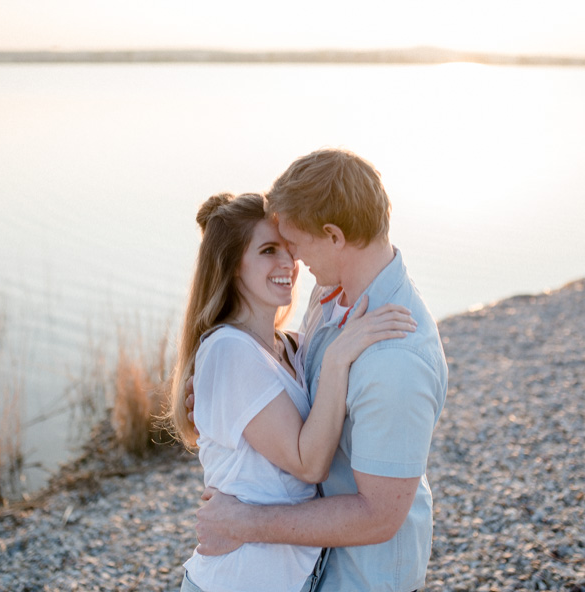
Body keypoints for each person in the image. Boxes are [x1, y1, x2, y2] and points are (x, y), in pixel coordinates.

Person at [192, 149, 449, 591]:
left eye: (295, 242)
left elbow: (380, 516)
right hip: (304, 567)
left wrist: (245, 522)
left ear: (333, 236)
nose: (292, 258)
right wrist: (230, 387)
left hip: (360, 576)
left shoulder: (395, 358)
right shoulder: (330, 298)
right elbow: (289, 387)